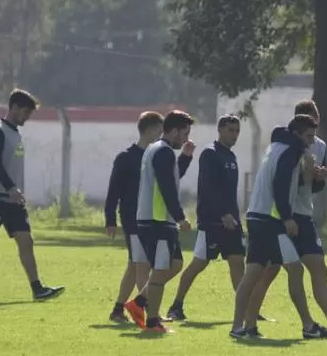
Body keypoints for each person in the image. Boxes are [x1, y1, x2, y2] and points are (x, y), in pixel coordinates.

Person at [242, 101, 327, 338]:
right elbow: (284, 179)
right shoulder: (288, 143)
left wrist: (318, 177)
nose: (312, 133)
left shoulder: (318, 145)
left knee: (319, 268)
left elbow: (315, 187)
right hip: (284, 214)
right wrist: (303, 177)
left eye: (316, 119)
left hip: (302, 214)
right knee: (269, 271)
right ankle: (249, 325)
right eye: (308, 122)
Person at [0, 88, 64, 304]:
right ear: (15, 108)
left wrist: (15, 191)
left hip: (13, 200)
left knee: (26, 241)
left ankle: (38, 289)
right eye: (26, 112)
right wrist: (10, 188)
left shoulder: (15, 133)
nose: (27, 117)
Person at [165, 114, 270, 322]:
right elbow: (208, 188)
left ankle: (248, 310)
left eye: (237, 131)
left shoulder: (231, 157)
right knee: (199, 264)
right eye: (230, 130)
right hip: (212, 221)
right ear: (220, 130)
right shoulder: (210, 154)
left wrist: (234, 216)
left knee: (238, 263)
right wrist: (222, 214)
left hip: (232, 222)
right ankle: (176, 305)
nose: (234, 135)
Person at [123, 110, 196, 333]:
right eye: (185, 133)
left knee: (174, 265)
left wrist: (185, 157)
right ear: (174, 130)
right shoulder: (162, 152)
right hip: (157, 221)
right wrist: (180, 217)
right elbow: (166, 188)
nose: (185, 138)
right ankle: (153, 322)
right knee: (161, 268)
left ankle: (139, 303)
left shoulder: (156, 150)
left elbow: (171, 178)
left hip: (155, 220)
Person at [104, 111, 163, 323]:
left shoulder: (154, 156)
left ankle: (118, 310)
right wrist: (110, 219)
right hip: (132, 220)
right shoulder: (126, 158)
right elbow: (114, 191)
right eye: (159, 129)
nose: (160, 134)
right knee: (142, 265)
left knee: (133, 265)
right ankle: (148, 311)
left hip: (148, 220)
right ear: (150, 129)